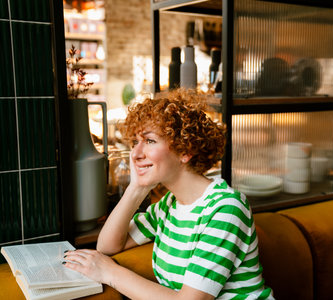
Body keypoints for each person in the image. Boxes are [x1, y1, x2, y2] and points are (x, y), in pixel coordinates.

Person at [63, 89, 274, 300]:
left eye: (150, 141)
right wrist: (136, 188)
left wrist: (109, 272)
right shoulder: (169, 205)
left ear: (185, 151)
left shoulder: (226, 209)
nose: (135, 154)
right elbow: (107, 246)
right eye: (135, 142)